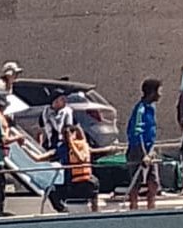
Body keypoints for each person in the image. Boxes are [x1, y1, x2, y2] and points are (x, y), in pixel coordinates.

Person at [45, 125, 118, 213]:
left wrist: (72, 142)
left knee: (93, 182)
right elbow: (38, 158)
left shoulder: (81, 146)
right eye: (64, 134)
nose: (65, 136)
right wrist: (25, 146)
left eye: (67, 134)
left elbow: (81, 158)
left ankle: (95, 212)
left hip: (84, 183)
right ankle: (63, 210)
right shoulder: (62, 149)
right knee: (51, 190)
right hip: (71, 184)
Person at [126, 78, 162, 210]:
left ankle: (151, 207)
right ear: (152, 92)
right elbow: (137, 132)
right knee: (136, 181)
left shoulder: (151, 108)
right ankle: (133, 207)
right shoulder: (140, 109)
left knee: (154, 181)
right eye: (159, 91)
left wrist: (151, 150)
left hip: (150, 148)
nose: (160, 94)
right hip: (138, 149)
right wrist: (143, 154)